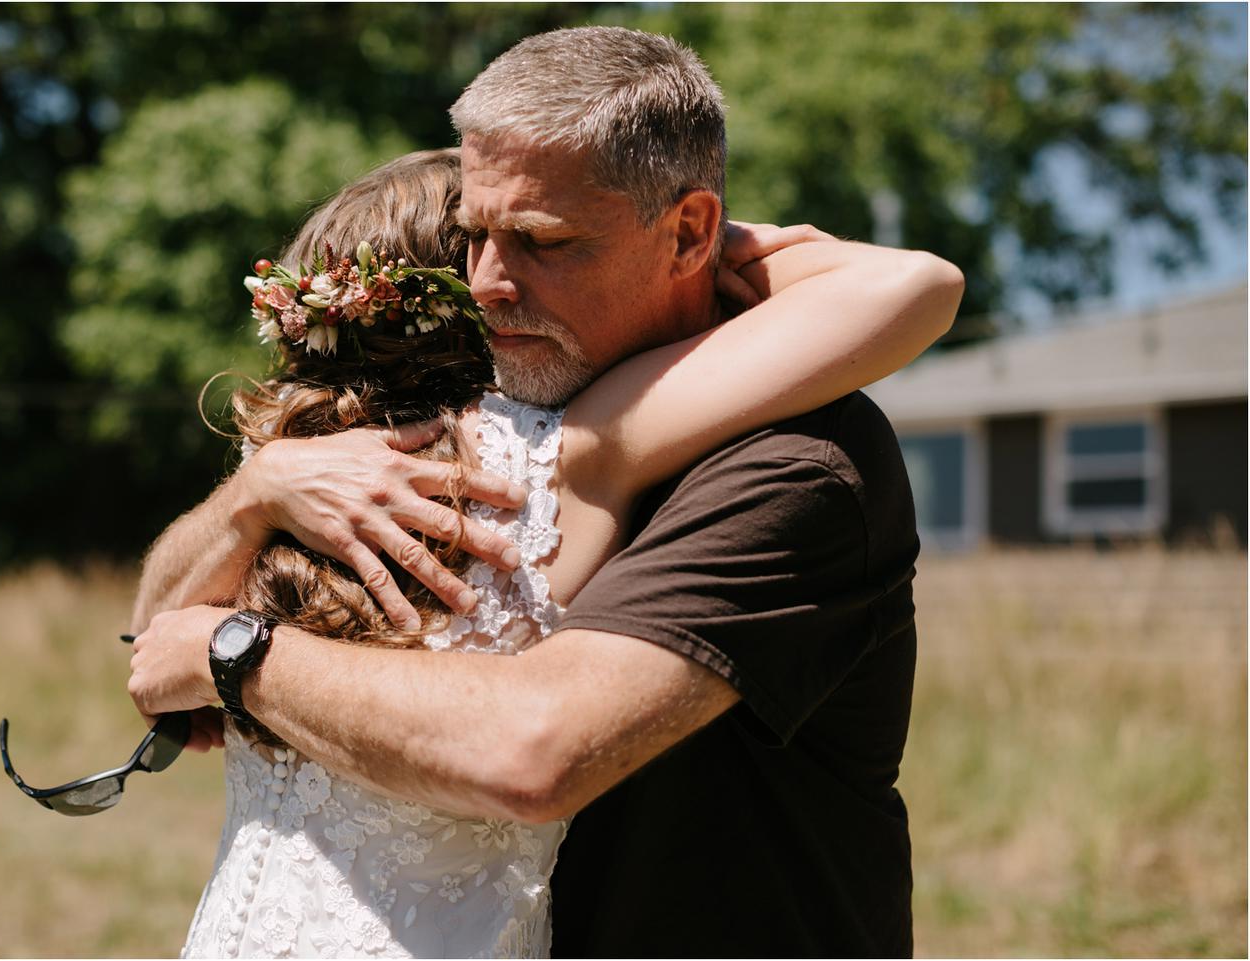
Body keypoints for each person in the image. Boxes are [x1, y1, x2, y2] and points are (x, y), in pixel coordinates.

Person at [131, 26, 962, 958]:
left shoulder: (778, 458)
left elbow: (531, 751)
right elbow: (148, 653)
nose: (488, 284)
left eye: (541, 240)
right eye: (472, 240)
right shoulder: (364, 466)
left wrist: (234, 653)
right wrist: (256, 492)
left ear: (688, 228)